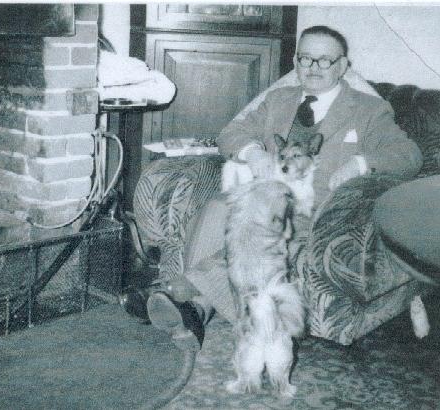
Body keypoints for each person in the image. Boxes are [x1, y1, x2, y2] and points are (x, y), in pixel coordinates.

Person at [143, 25, 423, 350]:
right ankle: (194, 310)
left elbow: (409, 156)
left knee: (262, 238)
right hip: (266, 199)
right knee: (220, 206)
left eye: (324, 60)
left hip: (319, 210)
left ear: (343, 66)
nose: (313, 68)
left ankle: (177, 292)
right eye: (305, 58)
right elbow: (230, 133)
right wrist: (253, 151)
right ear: (295, 60)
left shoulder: (368, 109)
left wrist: (360, 163)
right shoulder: (278, 99)